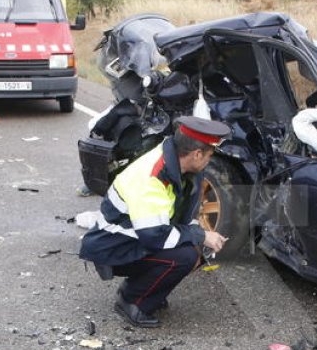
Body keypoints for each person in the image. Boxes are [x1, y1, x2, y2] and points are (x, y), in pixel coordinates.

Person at [79, 116, 231, 327]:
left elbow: (180, 215)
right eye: (209, 155)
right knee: (186, 255)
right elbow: (154, 237)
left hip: (131, 236)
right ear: (196, 154)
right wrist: (201, 235)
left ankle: (143, 288)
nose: (209, 161)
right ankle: (132, 301)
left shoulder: (178, 165)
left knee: (194, 248)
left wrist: (198, 233)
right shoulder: (153, 178)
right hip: (111, 245)